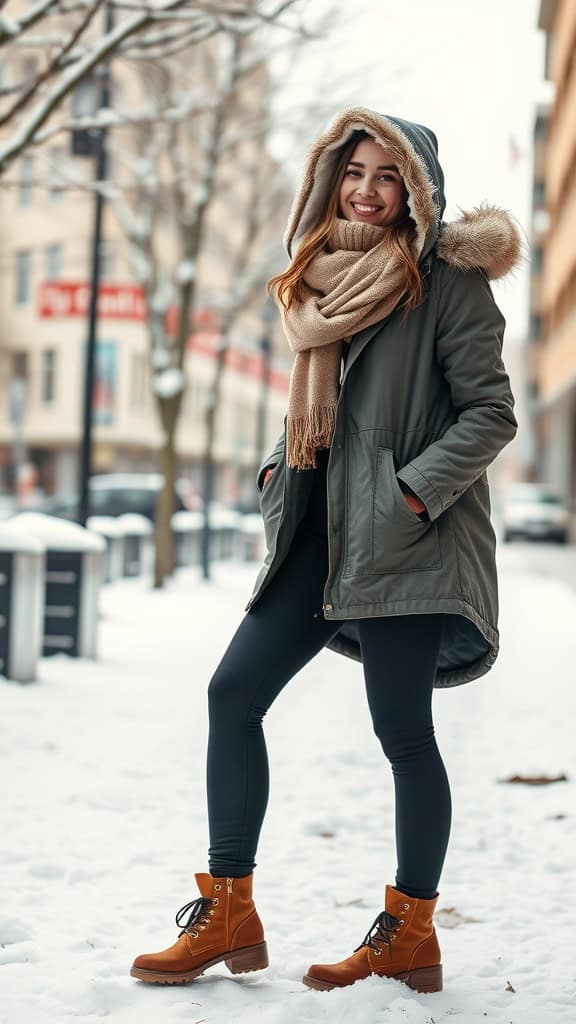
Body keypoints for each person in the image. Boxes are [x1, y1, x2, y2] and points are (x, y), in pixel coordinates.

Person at [130, 107, 523, 994]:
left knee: (402, 731)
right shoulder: (318, 277)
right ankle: (228, 911)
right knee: (233, 693)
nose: (368, 190)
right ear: (329, 178)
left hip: (403, 538)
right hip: (318, 526)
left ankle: (409, 930)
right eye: (355, 172)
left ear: (416, 188)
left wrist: (411, 493)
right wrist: (279, 467)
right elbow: (315, 408)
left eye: (388, 176)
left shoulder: (447, 283)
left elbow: (491, 412)